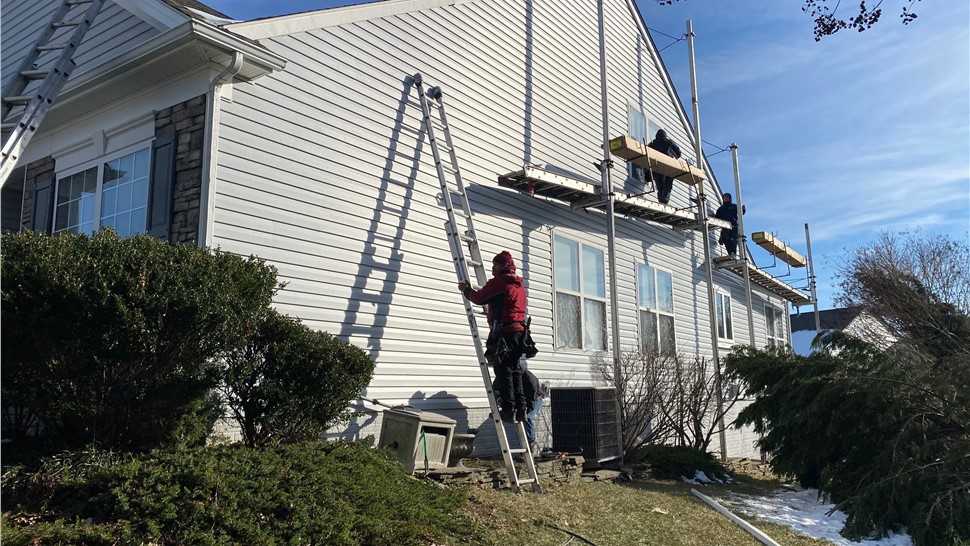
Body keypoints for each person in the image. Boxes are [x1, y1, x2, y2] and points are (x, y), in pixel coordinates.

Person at [458, 251, 528, 423]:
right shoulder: (519, 286)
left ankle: (508, 410)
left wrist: (466, 290)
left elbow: (479, 298)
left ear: (503, 266)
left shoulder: (500, 283)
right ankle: (521, 409)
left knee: (503, 371)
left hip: (504, 333)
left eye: (495, 265)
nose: (492, 268)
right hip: (519, 334)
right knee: (515, 371)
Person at [493, 368, 547, 453]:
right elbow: (495, 388)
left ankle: (530, 445)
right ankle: (523, 445)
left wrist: (526, 409)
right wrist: (499, 398)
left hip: (535, 398)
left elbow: (531, 397)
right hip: (518, 399)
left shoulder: (528, 378)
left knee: (527, 417)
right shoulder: (503, 374)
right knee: (518, 419)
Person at [647, 129, 682, 204]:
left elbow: (647, 156)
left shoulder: (652, 144)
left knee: (660, 187)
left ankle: (661, 201)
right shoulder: (668, 143)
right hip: (667, 167)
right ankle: (665, 201)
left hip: (656, 168)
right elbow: (678, 154)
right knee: (667, 184)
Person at [714, 192, 745, 257]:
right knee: (726, 240)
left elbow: (741, 212)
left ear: (730, 198)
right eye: (724, 197)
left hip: (733, 226)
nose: (726, 199)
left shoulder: (734, 206)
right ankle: (730, 254)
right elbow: (717, 217)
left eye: (727, 197)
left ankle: (733, 253)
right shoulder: (721, 209)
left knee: (733, 240)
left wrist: (743, 209)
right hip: (725, 226)